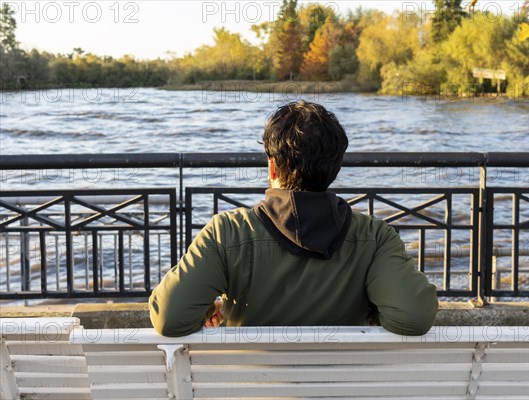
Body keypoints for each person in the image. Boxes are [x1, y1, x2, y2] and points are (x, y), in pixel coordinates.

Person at [149, 100, 438, 337]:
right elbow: (412, 316)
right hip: (343, 389)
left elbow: (170, 319)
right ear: (335, 168)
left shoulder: (226, 231)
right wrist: (371, 307)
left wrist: (207, 309)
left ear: (272, 167)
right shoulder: (375, 236)